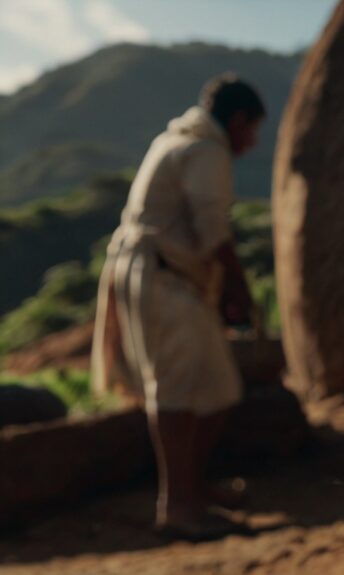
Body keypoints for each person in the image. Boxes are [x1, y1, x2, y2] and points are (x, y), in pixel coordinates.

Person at [90, 73, 264, 539]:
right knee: (175, 389)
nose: (252, 143)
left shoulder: (176, 141)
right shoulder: (206, 151)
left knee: (217, 386)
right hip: (163, 280)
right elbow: (213, 233)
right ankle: (177, 506)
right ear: (240, 119)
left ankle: (194, 489)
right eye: (253, 131)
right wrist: (238, 291)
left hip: (170, 278)